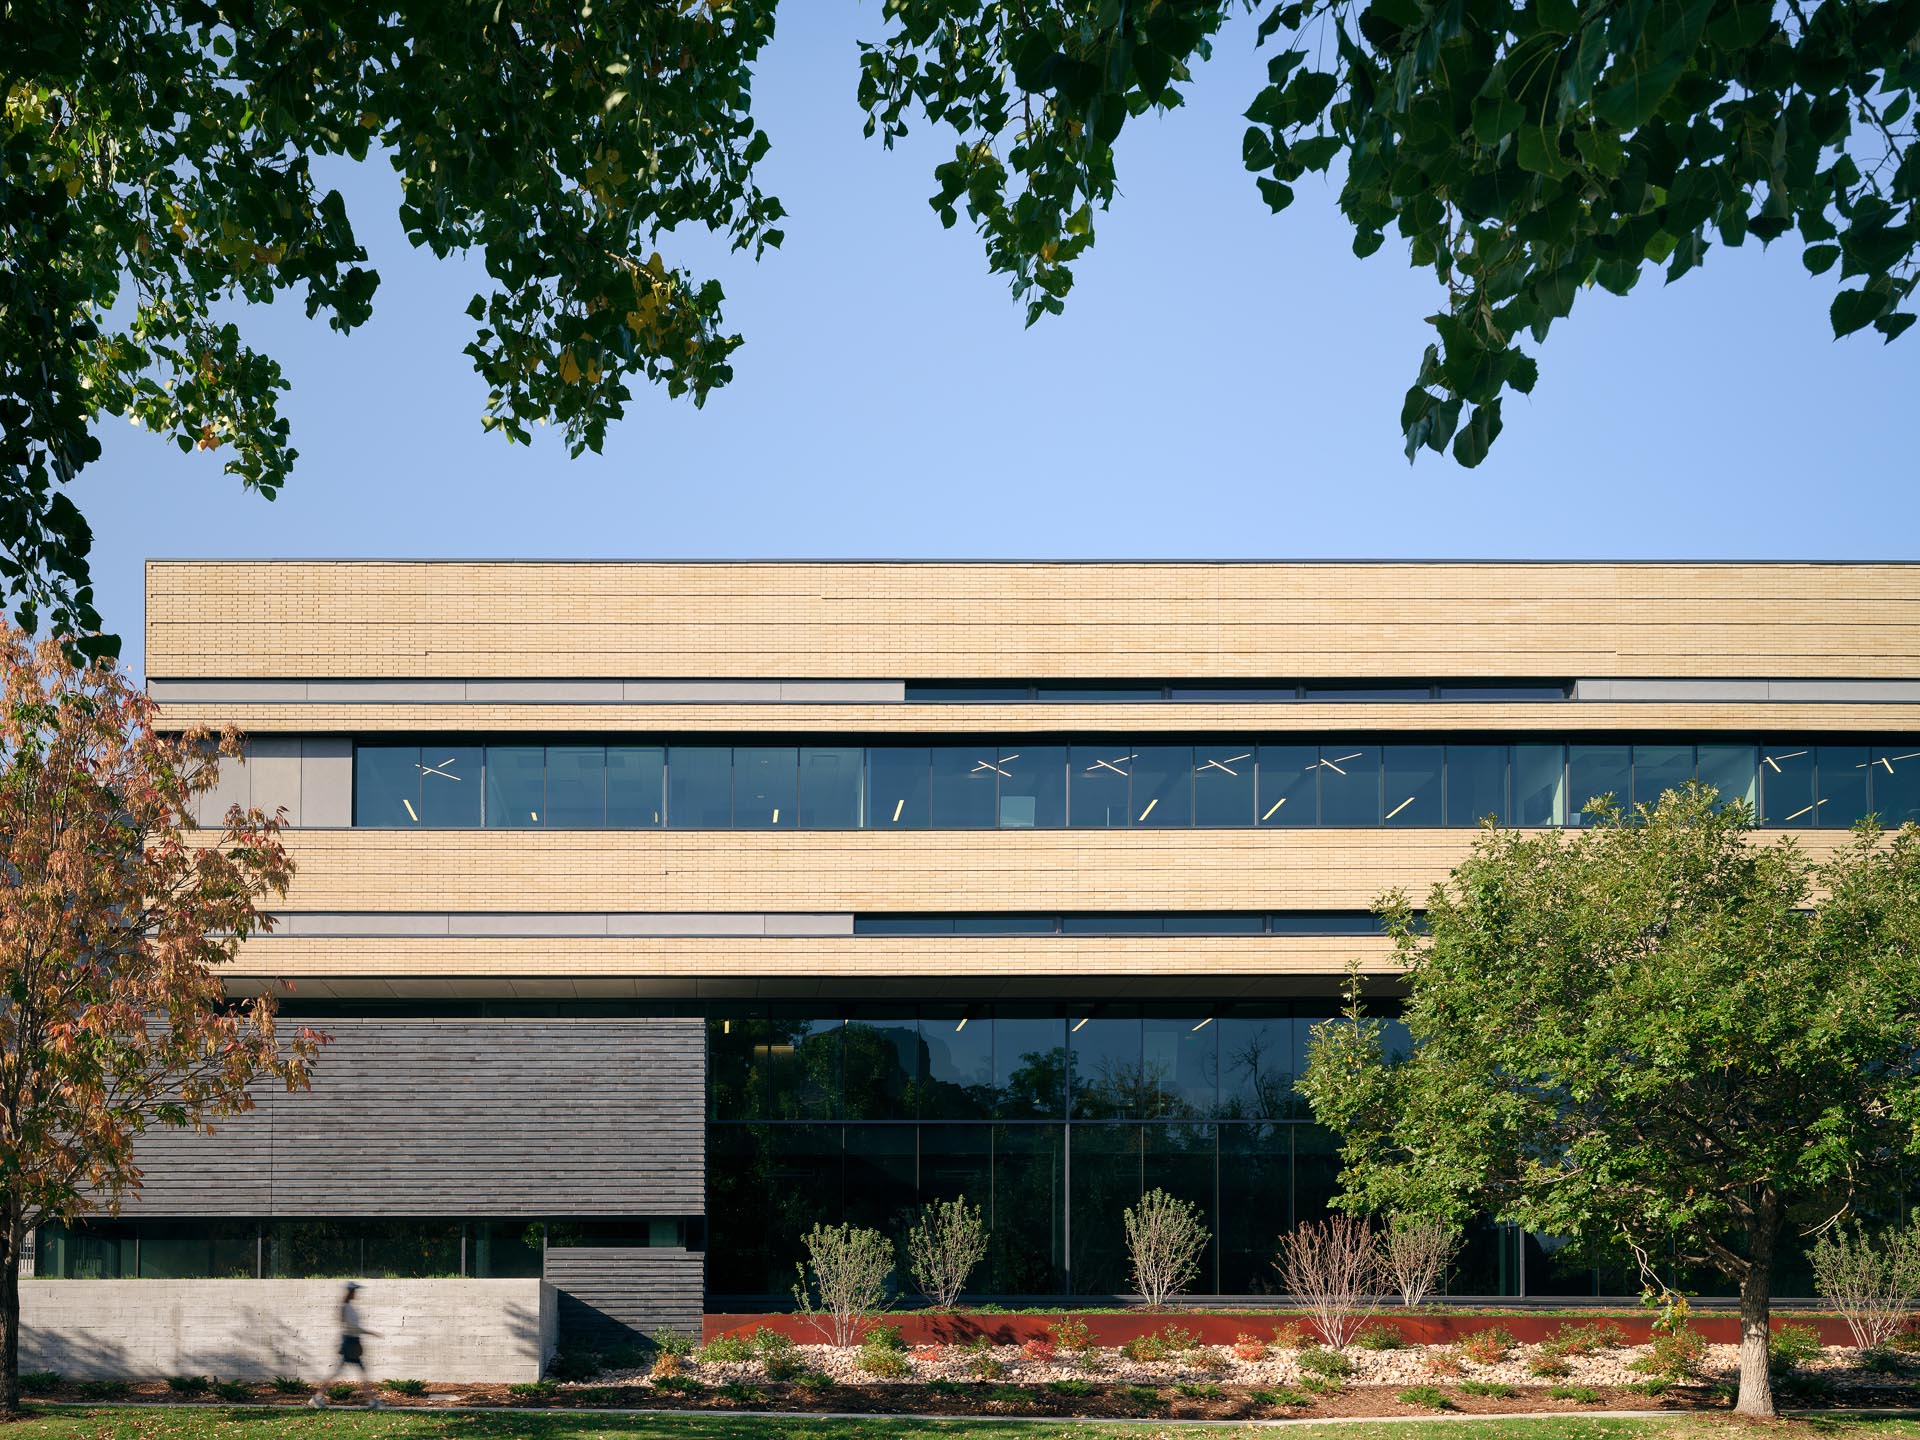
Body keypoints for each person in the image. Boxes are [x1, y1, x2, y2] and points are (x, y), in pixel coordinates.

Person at [310, 1282, 384, 1407]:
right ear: (351, 1292)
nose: (356, 1293)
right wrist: (370, 1332)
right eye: (355, 1291)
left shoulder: (348, 1307)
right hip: (350, 1343)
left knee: (352, 1371)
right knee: (354, 1371)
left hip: (352, 1342)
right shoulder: (347, 1308)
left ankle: (372, 1400)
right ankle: (372, 1400)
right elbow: (352, 1327)